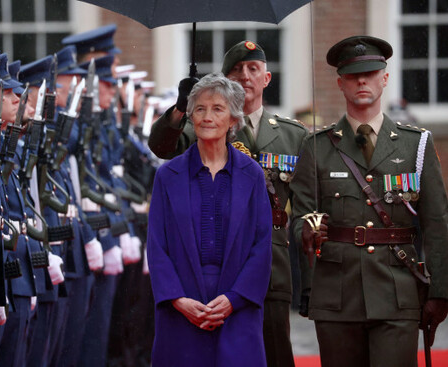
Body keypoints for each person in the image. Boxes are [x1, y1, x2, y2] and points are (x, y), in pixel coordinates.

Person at [290, 35, 448, 367]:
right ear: (340, 83)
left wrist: (439, 291)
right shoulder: (316, 146)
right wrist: (307, 230)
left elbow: (437, 224)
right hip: (336, 293)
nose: (362, 80)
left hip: (397, 291)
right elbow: (301, 216)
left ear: (385, 78)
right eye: (352, 75)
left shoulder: (414, 145)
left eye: (371, 72)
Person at [147, 40, 307, 367]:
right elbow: (157, 243)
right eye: (201, 109)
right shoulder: (172, 171)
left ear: (232, 119)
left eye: (218, 109)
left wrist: (235, 298)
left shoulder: (260, 165)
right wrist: (177, 298)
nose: (208, 117)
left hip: (248, 285)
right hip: (185, 293)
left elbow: (267, 237)